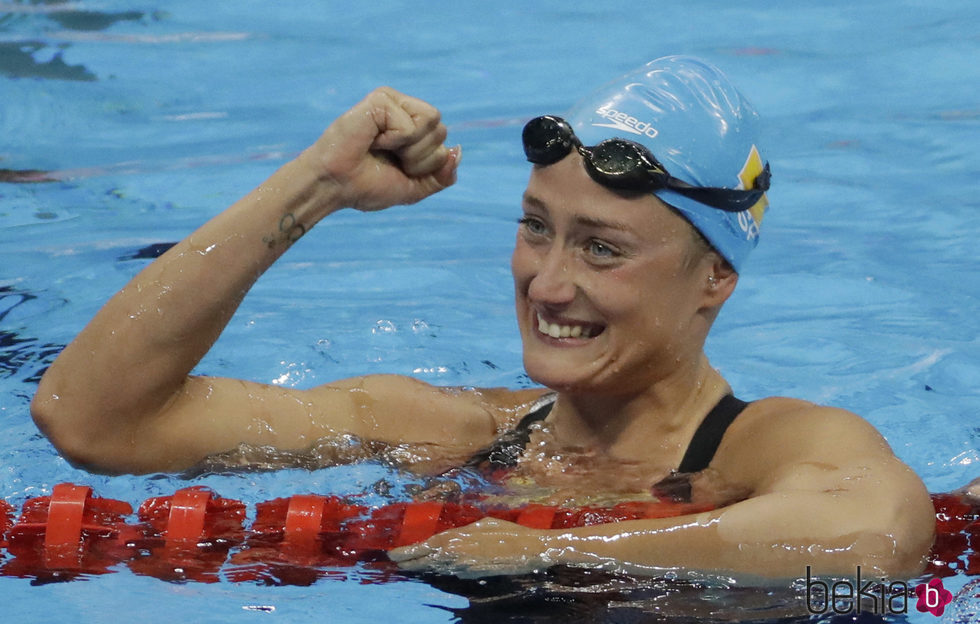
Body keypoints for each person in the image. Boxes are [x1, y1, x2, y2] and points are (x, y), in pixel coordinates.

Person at [31, 56, 935, 580]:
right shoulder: (443, 431)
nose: (545, 284)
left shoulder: (764, 449)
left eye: (602, 249)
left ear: (714, 279)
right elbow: (92, 419)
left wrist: (559, 553)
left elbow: (876, 537)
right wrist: (319, 187)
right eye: (536, 230)